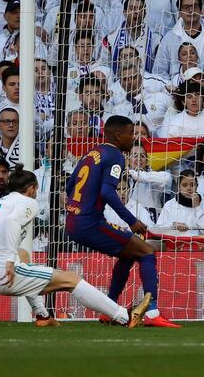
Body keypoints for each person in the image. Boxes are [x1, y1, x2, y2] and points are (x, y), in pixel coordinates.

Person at [0, 164, 151, 329]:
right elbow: (14, 223)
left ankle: (42, 315)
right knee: (71, 279)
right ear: (31, 189)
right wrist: (11, 261)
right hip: (1, 273)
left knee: (24, 255)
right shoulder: (27, 202)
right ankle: (123, 315)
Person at [65, 115, 179, 328]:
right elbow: (108, 191)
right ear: (118, 136)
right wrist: (132, 220)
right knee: (146, 251)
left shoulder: (92, 153)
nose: (134, 139)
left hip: (74, 220)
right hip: (89, 222)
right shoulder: (116, 155)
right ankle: (152, 313)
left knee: (128, 254)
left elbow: (70, 184)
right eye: (130, 134)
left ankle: (110, 310)